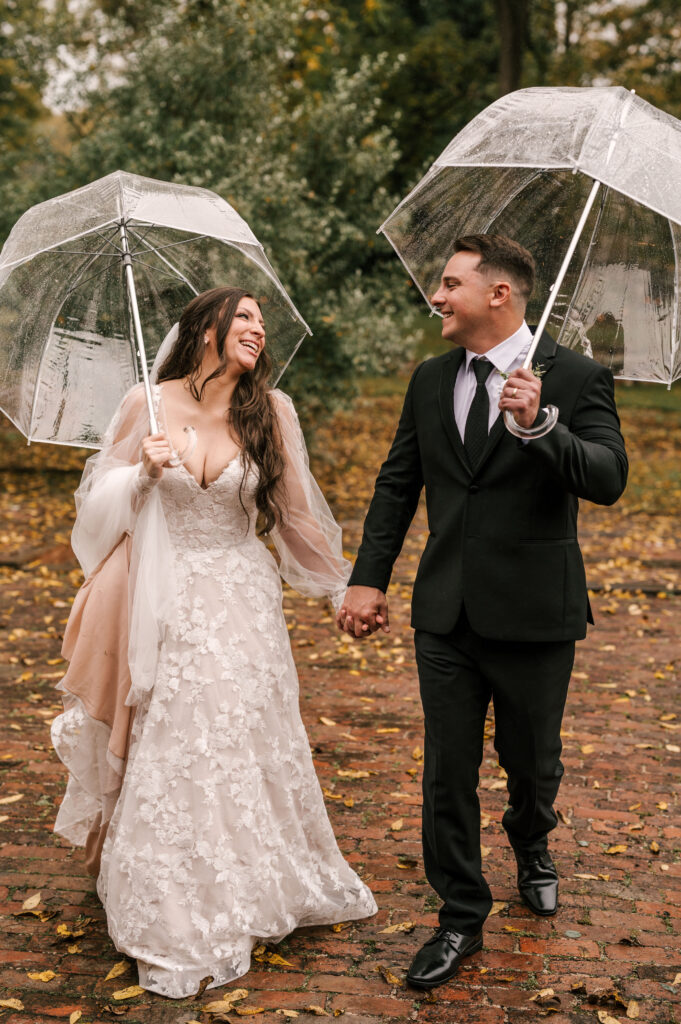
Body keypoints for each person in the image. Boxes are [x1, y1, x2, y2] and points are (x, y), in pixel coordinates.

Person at [51, 286, 376, 999]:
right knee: (171, 735)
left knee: (233, 736)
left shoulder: (272, 412)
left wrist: (341, 591)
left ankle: (250, 877)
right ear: (205, 329)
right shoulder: (146, 404)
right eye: (246, 317)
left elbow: (293, 517)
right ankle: (165, 893)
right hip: (159, 597)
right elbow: (93, 513)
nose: (258, 329)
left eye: (263, 320)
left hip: (240, 596)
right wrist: (139, 471)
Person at [337, 235, 628, 990]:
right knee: (447, 770)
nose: (435, 295)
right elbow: (398, 483)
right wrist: (368, 578)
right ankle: (459, 916)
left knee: (531, 764)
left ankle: (530, 838)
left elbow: (607, 477)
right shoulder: (431, 379)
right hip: (444, 611)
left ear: (498, 294)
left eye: (449, 283)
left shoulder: (575, 374)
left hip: (535, 612)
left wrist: (540, 427)